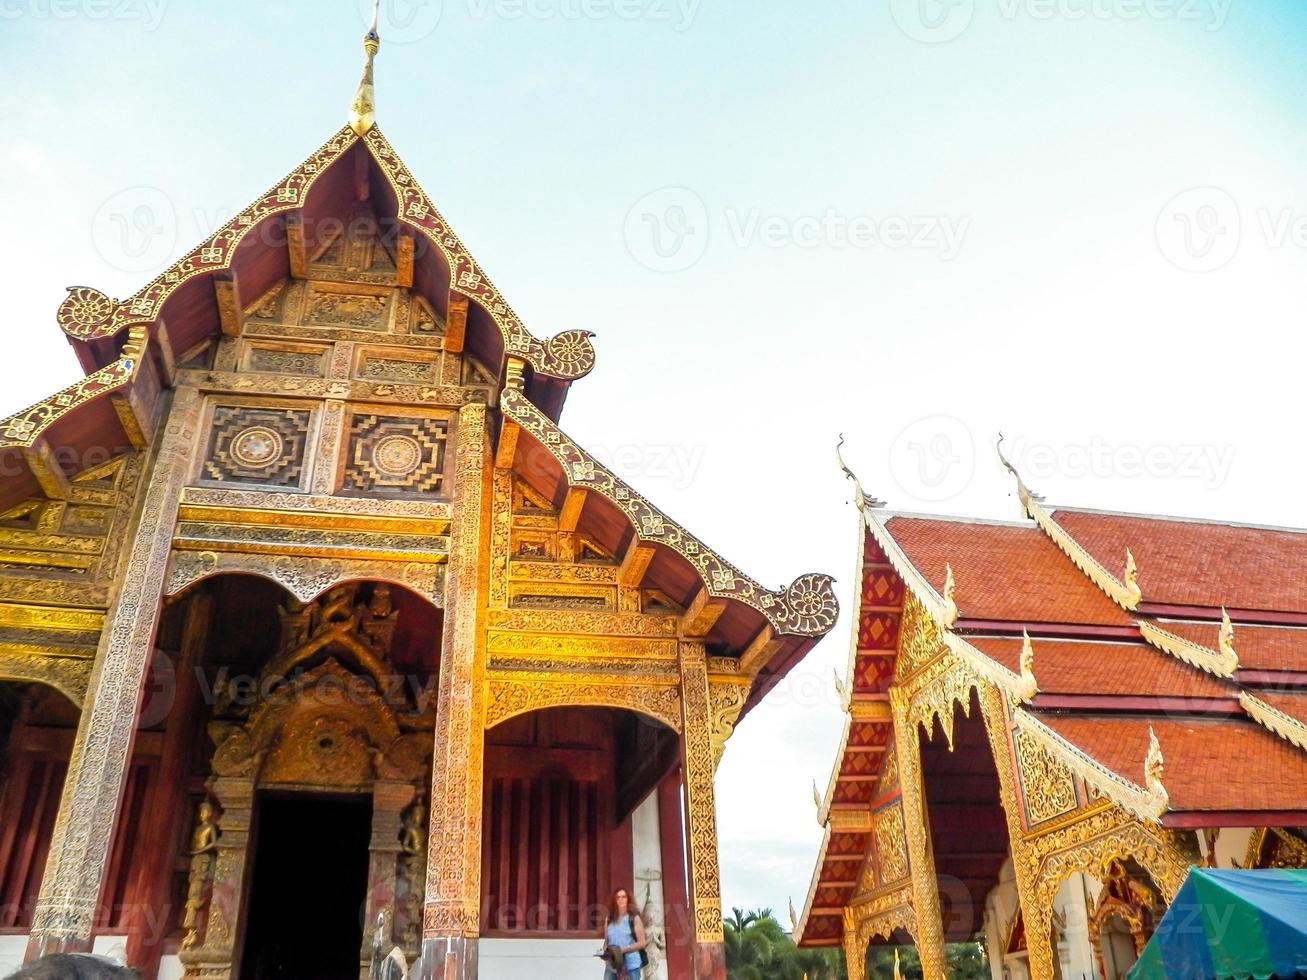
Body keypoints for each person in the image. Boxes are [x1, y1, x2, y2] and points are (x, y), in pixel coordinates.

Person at [597, 886, 647, 980]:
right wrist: (605, 953)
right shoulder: (609, 919)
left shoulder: (634, 918)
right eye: (618, 897)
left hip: (631, 963)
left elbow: (642, 943)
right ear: (614, 900)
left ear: (628, 899)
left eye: (624, 897)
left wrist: (623, 950)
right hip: (613, 963)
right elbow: (607, 941)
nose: (621, 900)